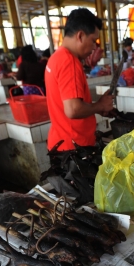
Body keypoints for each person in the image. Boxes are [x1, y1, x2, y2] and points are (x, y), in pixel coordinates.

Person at [43, 8, 114, 201]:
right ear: (80, 35)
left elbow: (70, 104)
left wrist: (99, 107)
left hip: (61, 145)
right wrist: (99, 106)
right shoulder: (69, 62)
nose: (94, 47)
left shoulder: (56, 58)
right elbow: (73, 110)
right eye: (93, 40)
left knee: (69, 202)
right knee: (84, 204)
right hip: (74, 151)